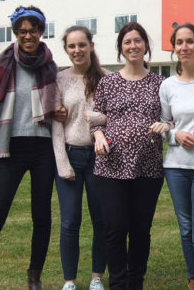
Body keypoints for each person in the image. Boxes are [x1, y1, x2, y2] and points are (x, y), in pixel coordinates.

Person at [0, 6, 59, 290]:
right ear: (16, 34)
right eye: (22, 32)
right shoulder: (0, 65)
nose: (28, 36)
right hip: (11, 149)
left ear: (41, 32)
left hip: (43, 147)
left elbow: (57, 103)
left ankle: (34, 276)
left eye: (33, 31)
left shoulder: (50, 66)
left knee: (41, 215)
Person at [91, 22, 164, 290]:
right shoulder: (108, 82)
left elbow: (169, 119)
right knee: (114, 228)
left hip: (148, 167)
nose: (133, 46)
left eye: (138, 40)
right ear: (121, 49)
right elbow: (97, 118)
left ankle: (136, 283)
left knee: (140, 230)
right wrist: (98, 135)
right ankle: (118, 284)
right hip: (110, 167)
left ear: (146, 45)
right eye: (127, 42)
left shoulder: (160, 83)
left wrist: (166, 126)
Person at [149, 23, 194, 290]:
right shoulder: (168, 85)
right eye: (179, 42)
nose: (184, 47)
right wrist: (176, 134)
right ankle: (193, 279)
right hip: (176, 166)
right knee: (186, 230)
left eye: (190, 41)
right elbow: (163, 125)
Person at [51, 26, 108, 290]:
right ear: (66, 50)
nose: (77, 50)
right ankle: (69, 281)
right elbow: (56, 125)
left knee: (101, 219)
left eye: (82, 45)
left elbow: (114, 118)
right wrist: (62, 162)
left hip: (99, 157)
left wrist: (99, 118)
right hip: (71, 155)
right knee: (70, 220)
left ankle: (97, 276)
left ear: (91, 46)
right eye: (72, 46)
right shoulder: (59, 80)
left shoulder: (106, 78)